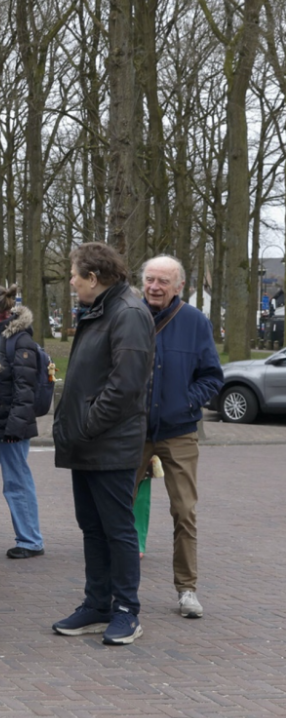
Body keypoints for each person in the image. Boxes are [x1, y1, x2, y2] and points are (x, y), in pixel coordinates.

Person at [52, 242, 154, 645]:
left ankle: (127, 609)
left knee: (117, 529)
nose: (72, 282)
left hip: (107, 442)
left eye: (76, 275)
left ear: (94, 278)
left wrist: (87, 425)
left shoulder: (127, 312)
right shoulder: (100, 309)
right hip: (87, 442)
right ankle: (97, 605)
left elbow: (126, 385)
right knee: (92, 527)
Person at [136, 255, 222, 619]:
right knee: (117, 510)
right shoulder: (128, 315)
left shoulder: (195, 321)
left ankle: (187, 589)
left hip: (179, 432)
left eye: (163, 281)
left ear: (179, 286)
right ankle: (115, 586)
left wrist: (186, 402)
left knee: (184, 511)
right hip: (133, 430)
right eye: (150, 279)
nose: (155, 287)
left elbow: (212, 376)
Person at [0, 285, 45, 568]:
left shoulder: (20, 342)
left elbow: (24, 390)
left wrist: (14, 429)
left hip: (10, 428)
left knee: (16, 482)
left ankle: (30, 540)